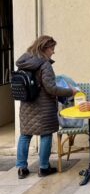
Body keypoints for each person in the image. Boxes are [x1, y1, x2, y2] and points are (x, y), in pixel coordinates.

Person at [15, 35, 77, 179]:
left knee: (25, 135)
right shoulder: (44, 64)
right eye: (52, 49)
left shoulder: (24, 60)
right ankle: (43, 167)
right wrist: (70, 91)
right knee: (46, 134)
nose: (53, 52)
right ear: (45, 48)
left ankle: (21, 168)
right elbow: (51, 89)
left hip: (27, 105)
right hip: (44, 106)